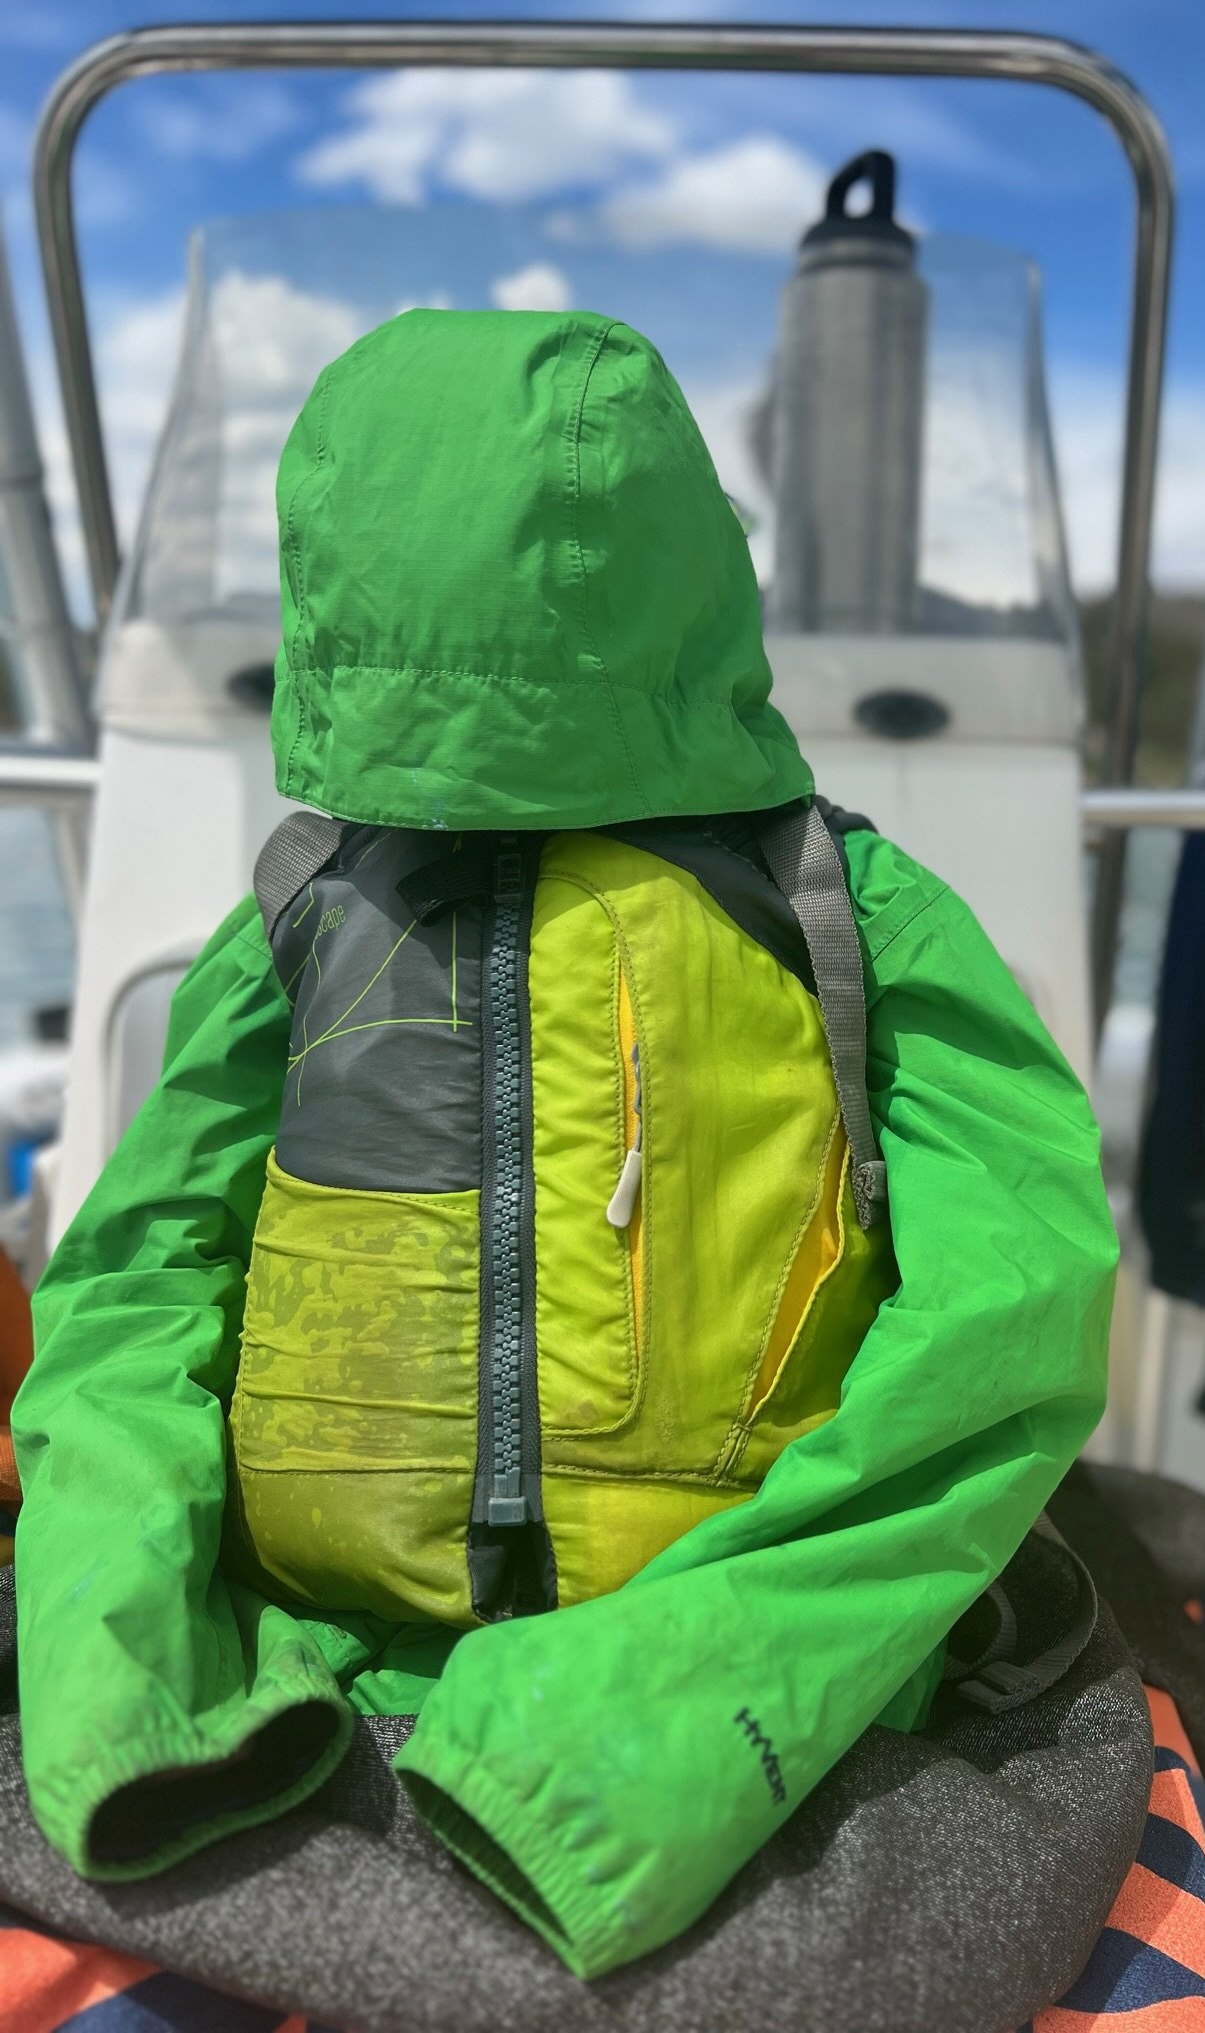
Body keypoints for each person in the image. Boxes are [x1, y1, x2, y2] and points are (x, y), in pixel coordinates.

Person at [11, 308, 1116, 1977]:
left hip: (718, 1689)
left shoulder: (845, 912)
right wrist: (137, 1683)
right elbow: (132, 1301)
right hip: (310, 1671)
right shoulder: (308, 913)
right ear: (691, 573)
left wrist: (657, 1717)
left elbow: (1003, 1337)